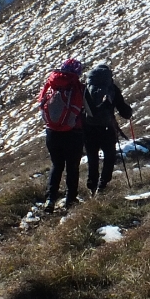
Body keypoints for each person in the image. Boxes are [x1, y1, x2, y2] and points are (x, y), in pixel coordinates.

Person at [38, 58, 85, 211]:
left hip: (52, 133)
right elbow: (81, 107)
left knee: (57, 165)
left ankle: (50, 199)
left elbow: (41, 104)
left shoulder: (50, 83)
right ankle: (70, 201)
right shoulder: (76, 85)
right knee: (72, 167)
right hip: (73, 133)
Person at [83, 62, 133, 195]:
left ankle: (92, 185)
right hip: (107, 128)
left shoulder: (86, 87)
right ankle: (103, 184)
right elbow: (123, 110)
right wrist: (129, 112)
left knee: (92, 157)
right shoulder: (111, 87)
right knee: (109, 156)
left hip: (89, 128)